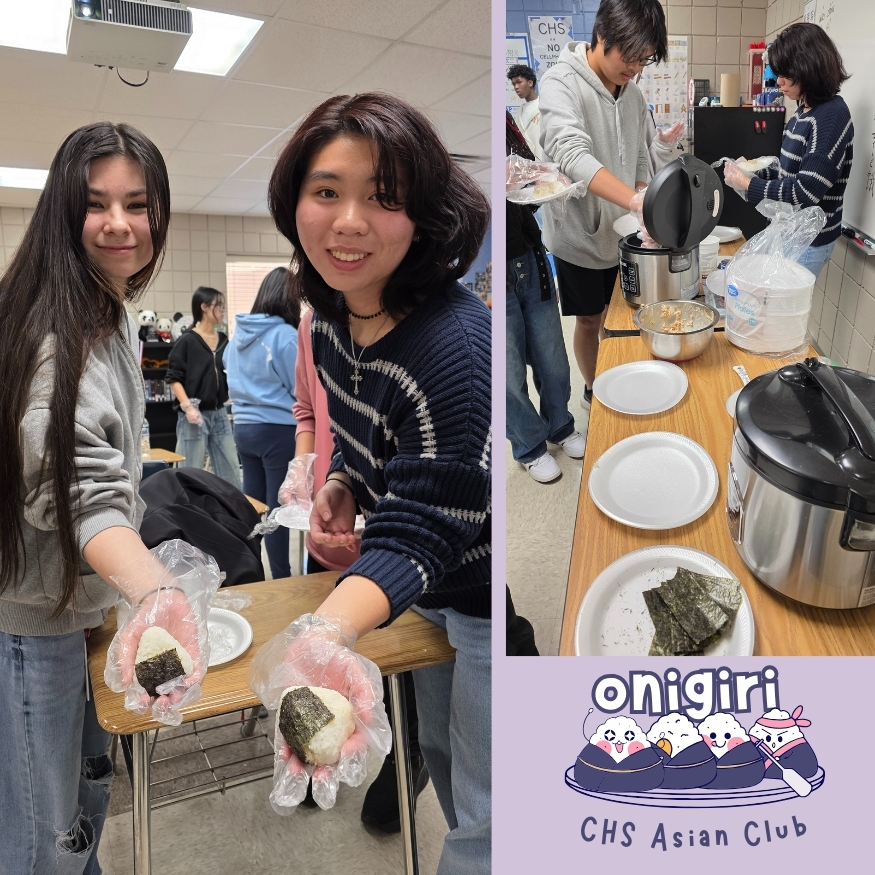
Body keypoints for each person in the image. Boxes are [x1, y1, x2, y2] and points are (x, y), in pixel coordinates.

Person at [265, 92, 491, 874]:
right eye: (326, 191)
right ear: (294, 198)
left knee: (488, 801)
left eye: (383, 198)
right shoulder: (326, 313)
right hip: (413, 585)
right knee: (434, 744)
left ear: (423, 214)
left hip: (475, 582)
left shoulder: (456, 351)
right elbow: (367, 438)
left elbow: (428, 524)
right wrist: (343, 484)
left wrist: (325, 633)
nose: (348, 222)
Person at [0, 122, 206, 874]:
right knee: (41, 835)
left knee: (84, 805)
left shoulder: (106, 306)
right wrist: (159, 591)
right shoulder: (61, 331)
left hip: (75, 604)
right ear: (63, 210)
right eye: (96, 204)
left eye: (137, 203)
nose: (119, 223)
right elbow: (77, 489)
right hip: (33, 622)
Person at [291, 307, 428, 831]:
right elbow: (310, 412)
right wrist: (318, 477)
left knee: (403, 668)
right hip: (332, 529)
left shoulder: (433, 334)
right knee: (318, 667)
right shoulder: (315, 325)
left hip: (400, 551)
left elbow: (427, 516)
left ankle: (404, 757)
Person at [538, 0, 668, 405]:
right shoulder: (561, 82)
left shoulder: (632, 94)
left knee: (624, 317)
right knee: (591, 318)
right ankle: (594, 390)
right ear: (600, 37)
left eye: (644, 59)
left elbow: (641, 155)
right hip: (580, 235)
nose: (635, 68)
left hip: (625, 235)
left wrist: (644, 192)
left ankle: (622, 380)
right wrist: (635, 201)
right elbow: (571, 153)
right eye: (629, 57)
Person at [723, 22, 854, 280]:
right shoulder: (803, 111)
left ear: (809, 69)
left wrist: (750, 184)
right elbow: (789, 175)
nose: (778, 81)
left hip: (810, 240)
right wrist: (753, 171)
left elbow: (806, 192)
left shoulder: (830, 117)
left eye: (786, 74)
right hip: (790, 233)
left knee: (779, 314)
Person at [506, 112, 585, 483]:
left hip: (529, 255)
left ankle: (561, 424)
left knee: (552, 354)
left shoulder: (506, 123)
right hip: (486, 268)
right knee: (507, 371)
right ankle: (529, 446)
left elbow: (526, 191)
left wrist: (545, 179)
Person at [225, 267, 300, 578]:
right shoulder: (286, 335)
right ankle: (282, 577)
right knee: (278, 509)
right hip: (277, 430)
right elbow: (301, 389)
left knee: (252, 506)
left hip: (243, 428)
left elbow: (227, 368)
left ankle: (250, 573)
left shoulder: (238, 335)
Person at [167, 287, 243, 490]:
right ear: (204, 307)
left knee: (232, 472)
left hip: (219, 413)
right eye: (219, 306)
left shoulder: (224, 341)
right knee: (190, 473)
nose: (223, 311)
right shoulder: (187, 341)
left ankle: (232, 517)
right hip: (193, 415)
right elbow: (174, 379)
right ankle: (188, 516)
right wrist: (188, 407)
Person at [508, 63, 544, 161]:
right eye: (514, 84)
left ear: (530, 83)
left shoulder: (544, 105)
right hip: (528, 166)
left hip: (545, 161)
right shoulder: (520, 112)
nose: (516, 87)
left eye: (519, 82)